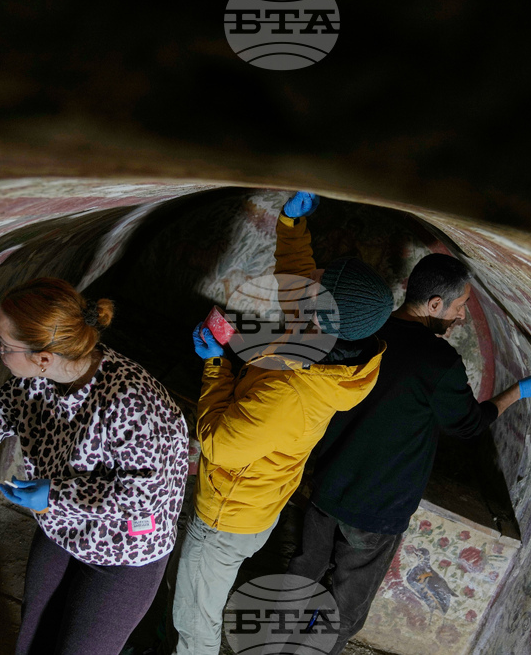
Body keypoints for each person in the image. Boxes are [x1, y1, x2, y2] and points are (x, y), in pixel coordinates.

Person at [286, 253, 531, 654]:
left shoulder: (365, 328)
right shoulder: (438, 361)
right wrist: (518, 391)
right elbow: (468, 425)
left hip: (329, 484)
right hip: (377, 508)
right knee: (344, 608)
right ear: (435, 304)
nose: (462, 316)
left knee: (302, 572)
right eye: (460, 306)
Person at [0, 277, 189, 655]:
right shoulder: (35, 380)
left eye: (3, 345)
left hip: (125, 549)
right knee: (33, 641)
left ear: (43, 357)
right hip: (63, 529)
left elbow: (145, 496)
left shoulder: (133, 403)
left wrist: (56, 495)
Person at [169, 192, 395, 655]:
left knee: (194, 622)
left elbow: (217, 445)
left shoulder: (291, 390)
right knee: (193, 597)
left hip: (227, 516)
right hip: (258, 503)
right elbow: (297, 272)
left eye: (319, 283)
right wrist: (292, 225)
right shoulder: (332, 343)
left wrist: (216, 365)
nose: (310, 279)